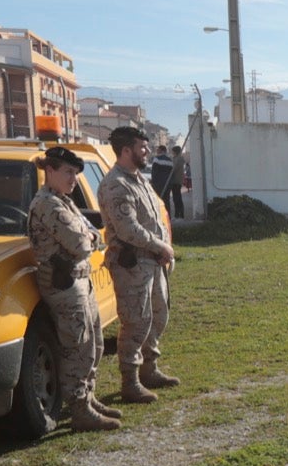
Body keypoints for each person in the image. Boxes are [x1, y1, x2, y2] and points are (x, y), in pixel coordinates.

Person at [28, 146, 120, 432]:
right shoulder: (47, 204)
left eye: (76, 174)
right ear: (50, 170)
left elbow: (90, 233)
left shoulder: (63, 201)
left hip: (80, 279)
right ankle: (79, 408)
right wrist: (89, 237)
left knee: (94, 343)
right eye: (68, 172)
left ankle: (87, 398)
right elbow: (81, 244)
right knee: (77, 345)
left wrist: (89, 236)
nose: (74, 179)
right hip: (64, 283)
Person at [101, 126, 179, 404]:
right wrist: (160, 246)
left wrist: (162, 249)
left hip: (152, 262)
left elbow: (154, 217)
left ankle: (149, 369)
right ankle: (130, 382)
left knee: (157, 316)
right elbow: (127, 229)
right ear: (126, 150)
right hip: (132, 265)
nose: (147, 151)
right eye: (142, 147)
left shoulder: (138, 180)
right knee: (136, 322)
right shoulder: (116, 185)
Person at [167, 143, 189, 219]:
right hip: (176, 181)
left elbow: (173, 168)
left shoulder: (178, 159)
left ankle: (179, 215)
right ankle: (178, 214)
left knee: (177, 198)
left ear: (175, 151)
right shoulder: (177, 158)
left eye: (173, 151)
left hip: (176, 181)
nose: (172, 153)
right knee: (176, 198)